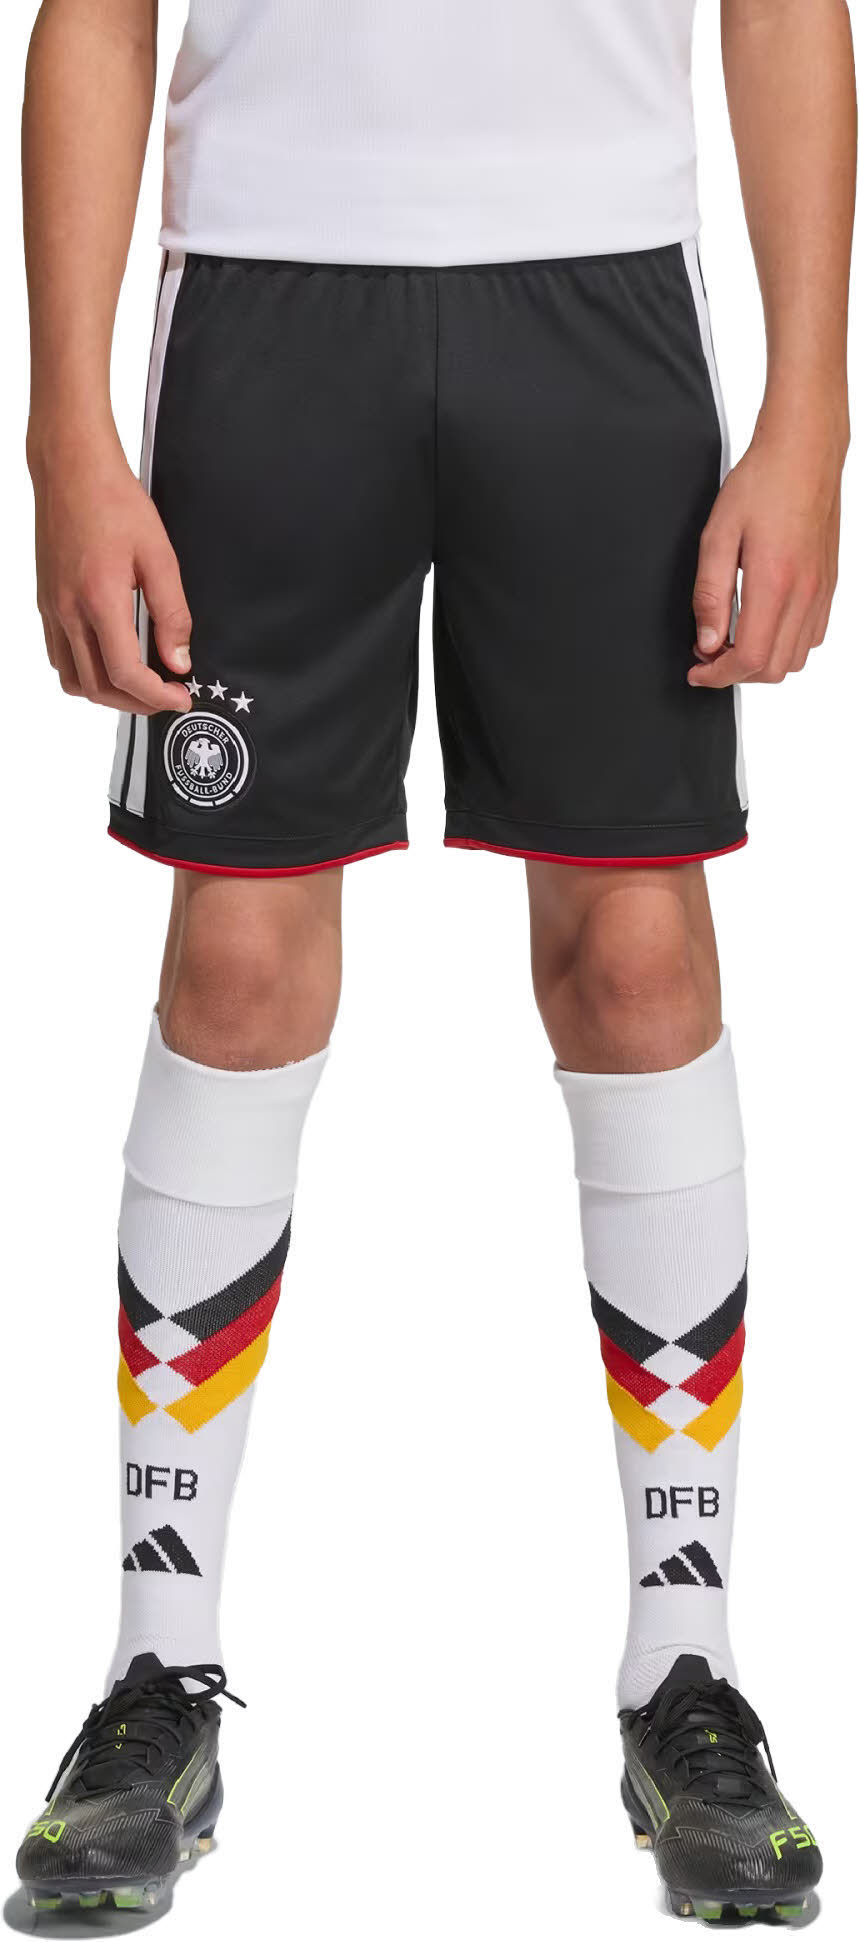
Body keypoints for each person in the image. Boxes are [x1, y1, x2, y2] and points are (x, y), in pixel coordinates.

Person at [17, 0, 854, 1923]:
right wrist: (66, 426)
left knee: (637, 956)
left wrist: (811, 406)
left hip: (600, 287)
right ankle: (156, 1675)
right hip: (269, 284)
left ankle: (687, 1667)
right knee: (236, 963)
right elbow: (97, 13)